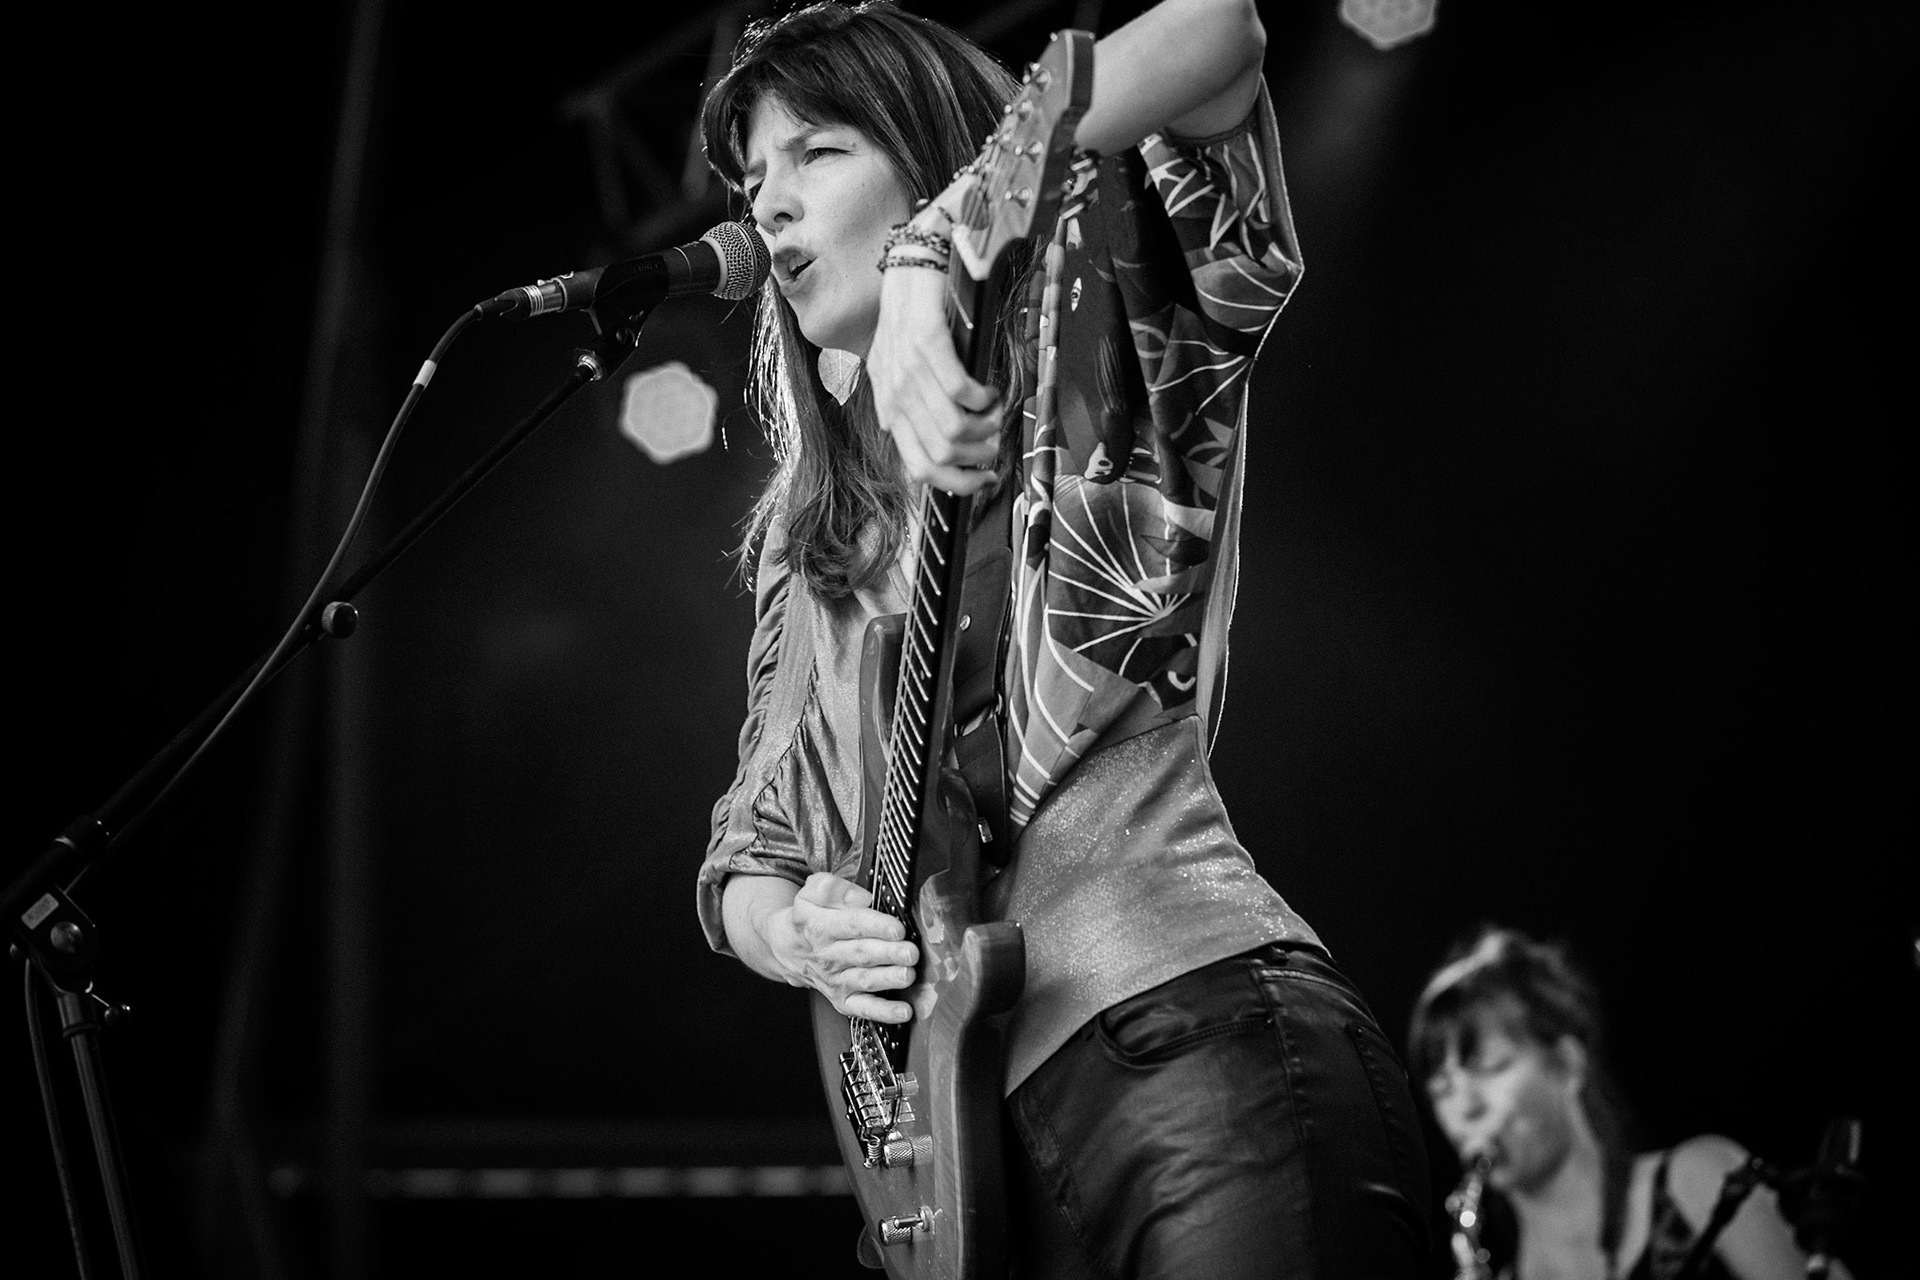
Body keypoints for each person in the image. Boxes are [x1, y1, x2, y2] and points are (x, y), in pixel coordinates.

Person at [694, 1, 1432, 1274]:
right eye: (756, 178)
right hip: (972, 1179)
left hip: (1189, 1059)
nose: (768, 204)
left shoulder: (1086, 309)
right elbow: (747, 852)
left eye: (818, 152)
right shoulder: (801, 548)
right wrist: (792, 930)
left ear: (931, 153)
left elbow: (1220, 33)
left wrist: (944, 246)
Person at [1409, 926, 1847, 1280]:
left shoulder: (1700, 1182)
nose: (1465, 1110)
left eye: (1491, 1066)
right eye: (1442, 1089)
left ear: (1567, 1065)